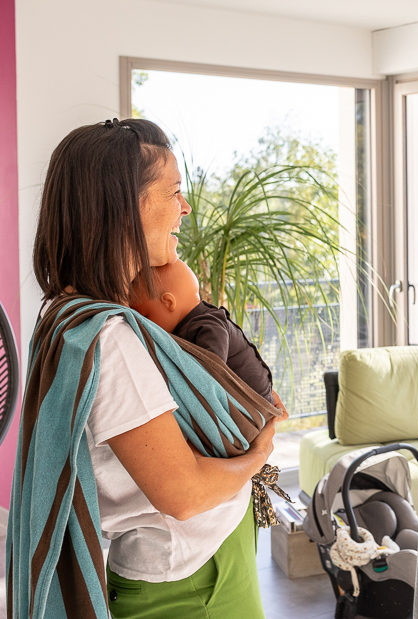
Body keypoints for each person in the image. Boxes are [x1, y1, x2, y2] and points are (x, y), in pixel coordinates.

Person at [7, 118, 286, 619]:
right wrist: (258, 456)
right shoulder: (109, 341)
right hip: (191, 586)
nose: (186, 207)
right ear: (124, 208)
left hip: (212, 557)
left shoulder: (70, 314)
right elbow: (183, 494)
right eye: (174, 192)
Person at [132, 258, 275, 405]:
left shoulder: (209, 326)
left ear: (168, 302)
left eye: (145, 316)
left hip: (254, 405)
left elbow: (209, 375)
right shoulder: (191, 324)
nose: (144, 325)